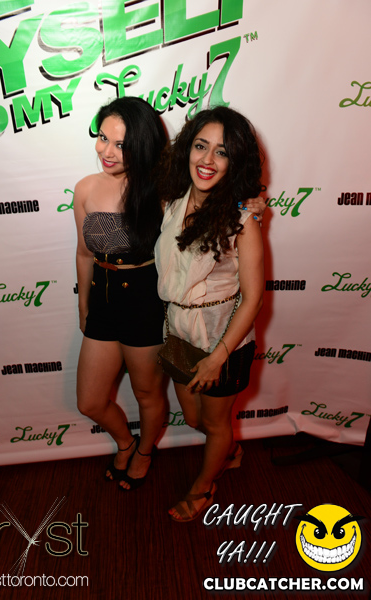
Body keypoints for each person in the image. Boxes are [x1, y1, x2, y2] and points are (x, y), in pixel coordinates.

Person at [155, 106, 264, 520]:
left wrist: (219, 356)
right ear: (187, 148)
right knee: (194, 418)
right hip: (180, 332)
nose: (207, 160)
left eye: (222, 152)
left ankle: (203, 488)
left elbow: (253, 299)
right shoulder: (172, 201)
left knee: (216, 424)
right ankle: (230, 451)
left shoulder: (243, 221)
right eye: (201, 146)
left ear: (235, 161)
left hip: (224, 342)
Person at [74, 97, 167, 490]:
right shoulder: (85, 188)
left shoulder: (163, 191)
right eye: (102, 138)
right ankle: (125, 441)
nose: (107, 152)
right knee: (90, 401)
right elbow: (84, 253)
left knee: (147, 392)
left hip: (146, 300)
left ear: (141, 145)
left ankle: (144, 451)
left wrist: (252, 204)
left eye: (121, 144)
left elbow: (217, 201)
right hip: (103, 296)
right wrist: (83, 304)